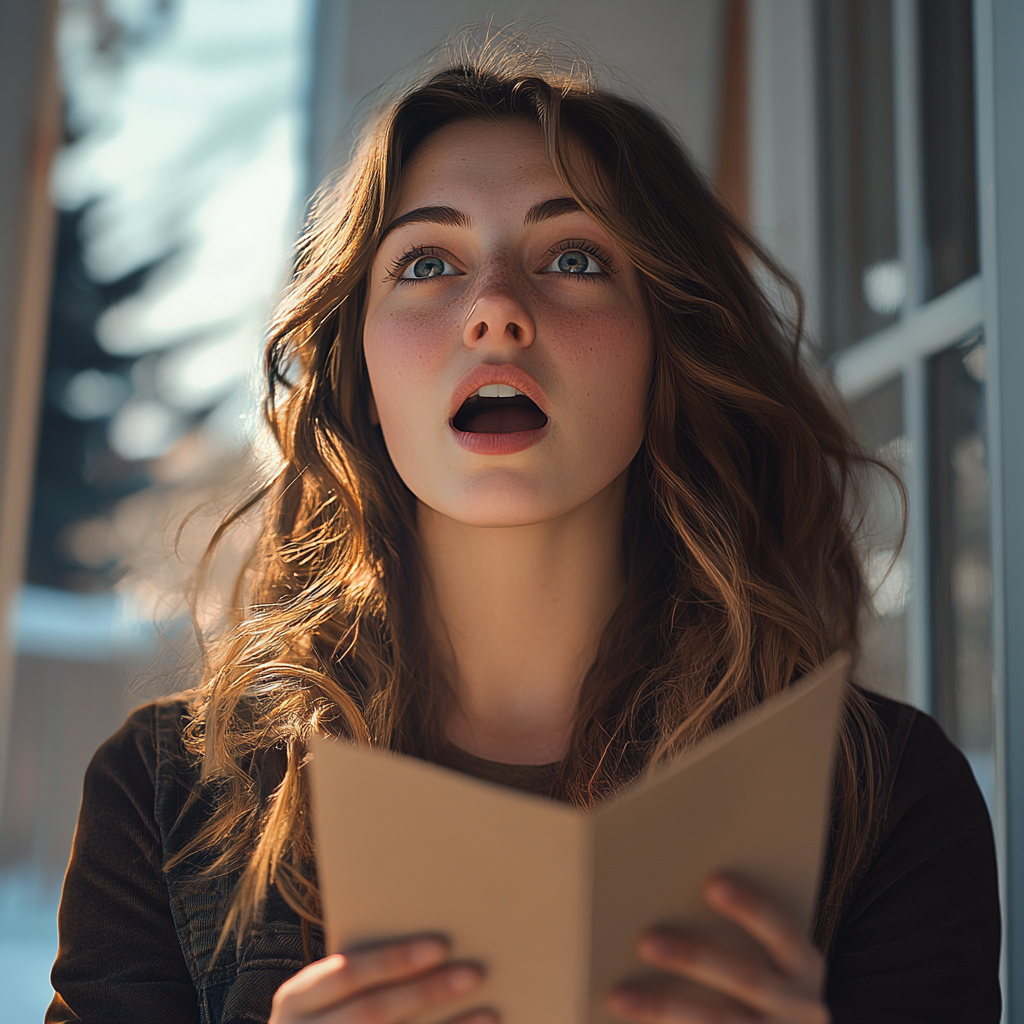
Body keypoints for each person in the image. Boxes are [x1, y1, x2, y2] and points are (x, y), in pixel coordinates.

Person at [47, 44, 999, 1024]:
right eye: (427, 263)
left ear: (664, 347)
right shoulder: (163, 798)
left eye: (573, 259)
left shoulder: (886, 799)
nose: (496, 308)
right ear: (359, 372)